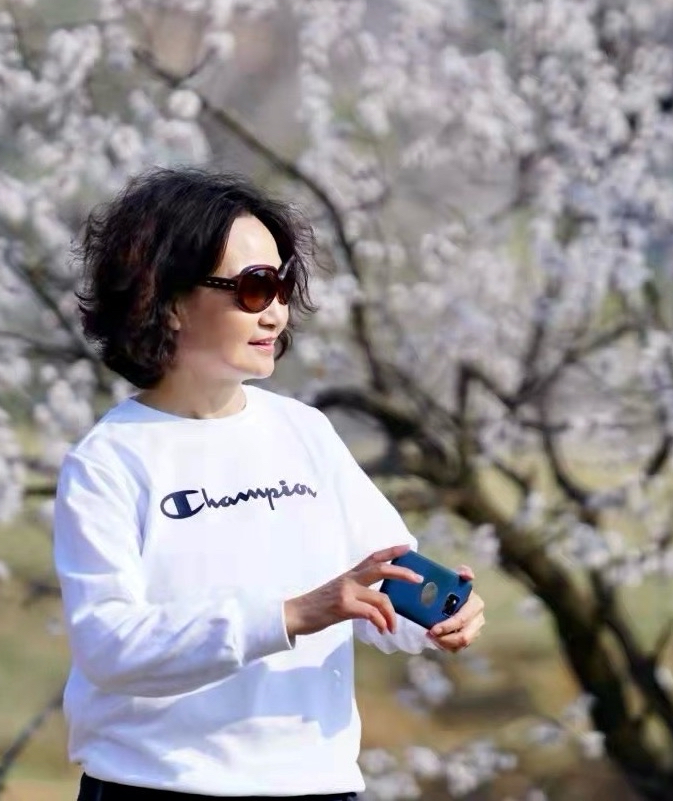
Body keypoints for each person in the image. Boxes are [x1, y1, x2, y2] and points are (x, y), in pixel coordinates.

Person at [54, 167, 486, 800]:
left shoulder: (304, 431)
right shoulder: (110, 461)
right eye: (255, 288)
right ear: (168, 301)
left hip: (316, 784)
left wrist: (436, 618)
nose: (278, 312)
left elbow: (377, 584)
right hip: (156, 785)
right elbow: (110, 647)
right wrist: (289, 616)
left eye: (284, 285)